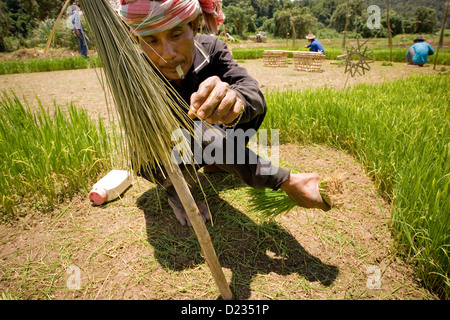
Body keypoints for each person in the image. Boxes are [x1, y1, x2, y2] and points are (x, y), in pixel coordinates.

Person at [119, 0, 330, 226]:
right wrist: (284, 180)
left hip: (205, 138)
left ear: (194, 25)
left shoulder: (211, 48)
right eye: (151, 41)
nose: (167, 54)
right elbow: (204, 139)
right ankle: (175, 193)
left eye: (176, 35)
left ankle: (216, 163)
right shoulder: (135, 74)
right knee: (203, 137)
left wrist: (235, 100)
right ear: (138, 40)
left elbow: (250, 89)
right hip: (162, 154)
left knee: (253, 109)